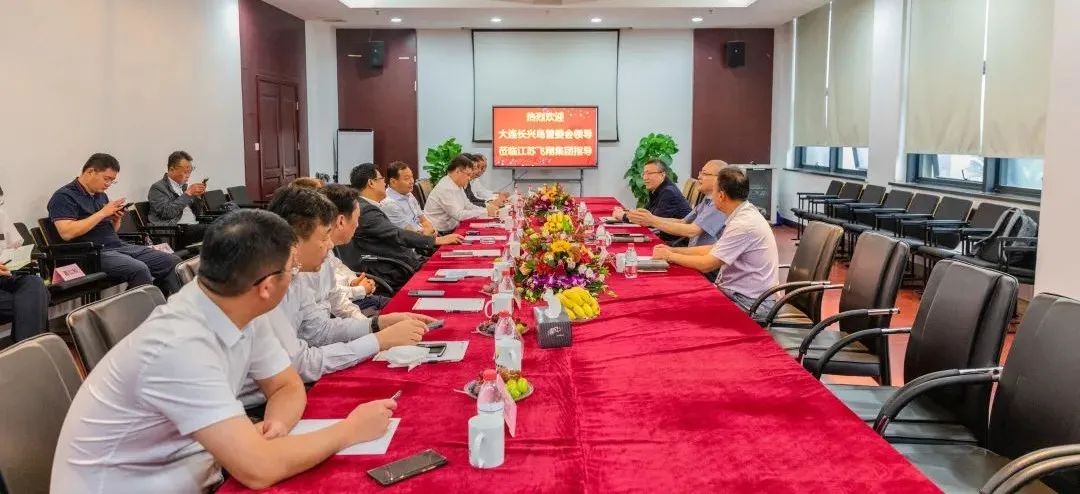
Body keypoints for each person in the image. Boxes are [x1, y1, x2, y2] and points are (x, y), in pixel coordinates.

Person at [51, 209, 399, 492]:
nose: (295, 277)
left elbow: (286, 385)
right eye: (291, 270)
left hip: (207, 471)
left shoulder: (239, 306)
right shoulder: (179, 346)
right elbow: (258, 469)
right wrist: (349, 430)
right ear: (266, 286)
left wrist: (276, 425)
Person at [264, 186, 431, 382]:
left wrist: (377, 324)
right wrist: (378, 340)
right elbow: (301, 365)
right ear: (293, 240)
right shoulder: (268, 286)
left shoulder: (296, 274)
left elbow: (319, 330)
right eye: (324, 236)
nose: (330, 245)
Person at [47, 153, 182, 295]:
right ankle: (135, 308)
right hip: (90, 254)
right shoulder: (64, 196)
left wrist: (115, 219)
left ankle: (171, 304)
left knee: (171, 261)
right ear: (90, 172)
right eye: (106, 179)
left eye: (112, 181)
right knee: (139, 269)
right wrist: (102, 213)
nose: (108, 184)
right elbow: (67, 233)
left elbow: (112, 231)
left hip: (117, 246)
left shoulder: (100, 195)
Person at [651, 166, 779, 316]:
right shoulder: (742, 213)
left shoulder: (743, 224)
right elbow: (713, 248)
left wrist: (670, 256)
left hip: (750, 303)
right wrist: (673, 250)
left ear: (721, 195)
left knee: (678, 307)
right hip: (737, 293)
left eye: (714, 191)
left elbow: (708, 264)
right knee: (677, 296)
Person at [348, 163, 463, 291]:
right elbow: (397, 234)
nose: (385, 183)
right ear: (371, 183)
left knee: (454, 267)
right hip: (395, 268)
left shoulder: (365, 206)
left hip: (404, 260)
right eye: (381, 179)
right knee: (454, 275)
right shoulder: (366, 211)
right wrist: (436, 240)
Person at [317, 184, 391, 314]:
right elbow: (331, 299)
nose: (357, 225)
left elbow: (339, 268)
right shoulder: (312, 256)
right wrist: (360, 290)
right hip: (348, 307)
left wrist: (352, 281)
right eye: (357, 219)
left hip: (352, 302)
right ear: (341, 221)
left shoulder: (327, 250)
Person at [627, 160, 728, 247]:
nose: (699, 177)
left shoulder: (719, 203)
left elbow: (692, 231)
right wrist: (651, 219)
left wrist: (652, 221)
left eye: (705, 174)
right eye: (700, 173)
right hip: (692, 251)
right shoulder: (707, 200)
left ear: (720, 179)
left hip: (699, 257)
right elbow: (683, 221)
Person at [0, 185, 50, 342]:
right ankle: (32, 349)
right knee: (36, 300)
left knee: (34, 283)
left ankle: (26, 350)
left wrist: (20, 257)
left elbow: (13, 248)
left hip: (5, 277)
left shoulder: (1, 215)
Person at [613, 160, 691, 241]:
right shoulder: (656, 189)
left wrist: (624, 216)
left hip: (673, 241)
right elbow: (647, 213)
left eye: (649, 173)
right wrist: (628, 212)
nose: (645, 178)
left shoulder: (668, 192)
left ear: (662, 174)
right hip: (663, 235)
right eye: (644, 174)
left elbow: (650, 221)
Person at [424, 154, 499, 233]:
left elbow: (468, 205)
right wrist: (485, 212)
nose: (469, 178)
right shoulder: (445, 188)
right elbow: (459, 215)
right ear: (458, 171)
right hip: (439, 233)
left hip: (453, 228)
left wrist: (486, 210)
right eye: (468, 174)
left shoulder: (457, 184)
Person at [147, 150, 208, 247]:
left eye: (190, 171)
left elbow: (199, 213)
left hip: (193, 226)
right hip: (176, 231)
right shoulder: (157, 188)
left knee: (227, 222)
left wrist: (198, 197)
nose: (188, 175)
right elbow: (167, 213)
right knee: (216, 229)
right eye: (185, 171)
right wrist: (188, 194)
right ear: (172, 169)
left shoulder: (183, 187)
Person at [382, 161, 435, 234]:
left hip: (425, 234)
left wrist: (431, 229)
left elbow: (423, 220)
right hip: (413, 238)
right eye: (407, 178)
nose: (412, 181)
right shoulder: (389, 204)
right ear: (393, 182)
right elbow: (410, 234)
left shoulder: (408, 194)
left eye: (412, 177)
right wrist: (431, 234)